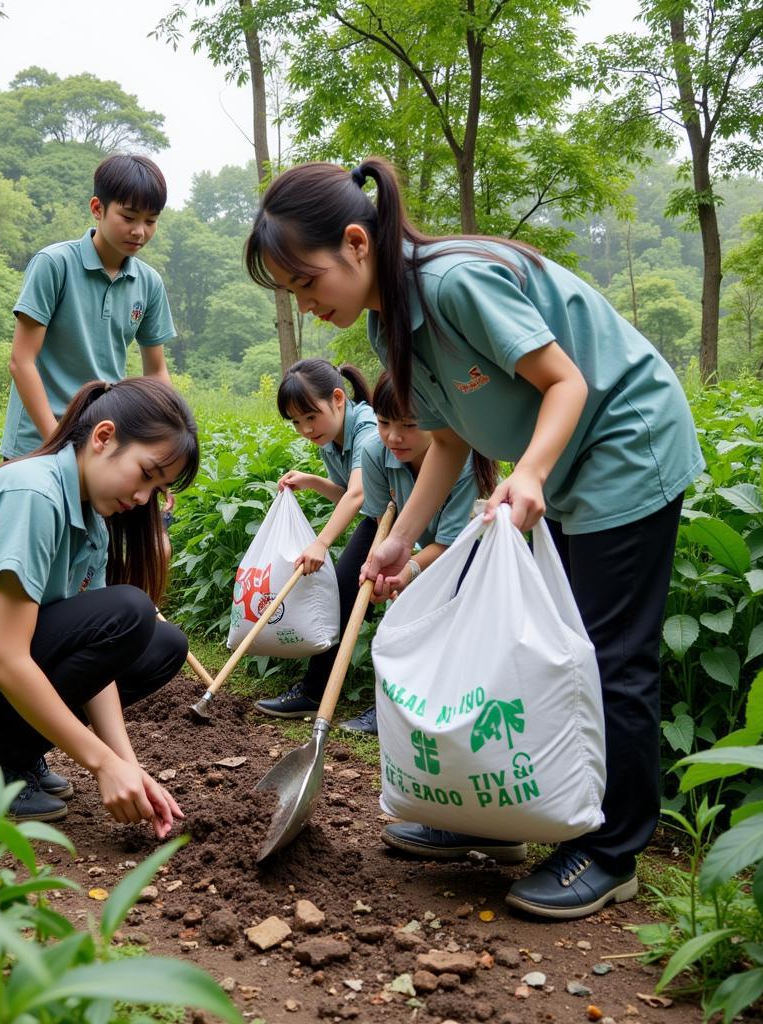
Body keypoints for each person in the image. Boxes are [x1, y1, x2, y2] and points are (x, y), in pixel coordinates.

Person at [244, 157, 703, 920]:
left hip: (624, 446)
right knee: (521, 641)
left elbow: (568, 383)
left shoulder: (455, 283)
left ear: (356, 242)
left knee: (604, 652)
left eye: (306, 282)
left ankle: (611, 849)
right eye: (292, 292)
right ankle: (499, 818)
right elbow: (450, 437)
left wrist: (528, 473)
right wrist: (403, 539)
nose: (306, 303)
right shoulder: (393, 317)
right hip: (557, 465)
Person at [0, 378, 198, 828]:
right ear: (103, 437)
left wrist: (127, 764)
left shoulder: (92, 521)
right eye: (147, 474)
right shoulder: (32, 495)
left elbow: (101, 663)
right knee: (130, 612)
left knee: (162, 644)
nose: (142, 498)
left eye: (157, 490)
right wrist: (101, 764)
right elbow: (6, 659)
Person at [342, 371, 494, 737]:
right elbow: (384, 523)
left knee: (452, 625)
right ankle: (390, 708)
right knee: (397, 619)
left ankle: (452, 711)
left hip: (469, 551)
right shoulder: (375, 452)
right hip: (409, 543)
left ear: (437, 420)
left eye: (410, 425)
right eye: (384, 422)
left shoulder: (465, 460)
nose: (395, 436)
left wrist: (410, 568)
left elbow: (452, 543)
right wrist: (395, 567)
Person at [1, 153, 177, 460]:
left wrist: (162, 446)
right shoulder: (54, 265)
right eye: (129, 217)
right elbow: (21, 361)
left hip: (102, 442)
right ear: (98, 208)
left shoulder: (148, 283)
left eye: (151, 221)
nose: (140, 231)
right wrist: (56, 444)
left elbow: (156, 373)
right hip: (36, 442)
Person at [254, 358, 379, 719]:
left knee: (403, 607)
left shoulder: (368, 429)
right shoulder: (331, 438)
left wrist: (321, 543)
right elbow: (351, 493)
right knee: (341, 596)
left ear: (338, 398)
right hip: (380, 518)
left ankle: (389, 708)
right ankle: (313, 692)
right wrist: (310, 480)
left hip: (415, 523)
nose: (306, 429)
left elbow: (357, 495)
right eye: (296, 422)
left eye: (311, 416)